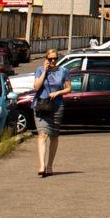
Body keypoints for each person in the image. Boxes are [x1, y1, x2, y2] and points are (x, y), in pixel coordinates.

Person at [29, 49, 70, 177]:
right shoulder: (40, 70)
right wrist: (45, 71)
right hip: (41, 106)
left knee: (54, 136)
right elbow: (36, 87)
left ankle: (50, 165)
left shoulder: (63, 71)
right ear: (46, 59)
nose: (52, 61)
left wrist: (58, 93)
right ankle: (41, 165)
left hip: (57, 106)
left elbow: (69, 88)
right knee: (42, 134)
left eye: (55, 58)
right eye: (50, 59)